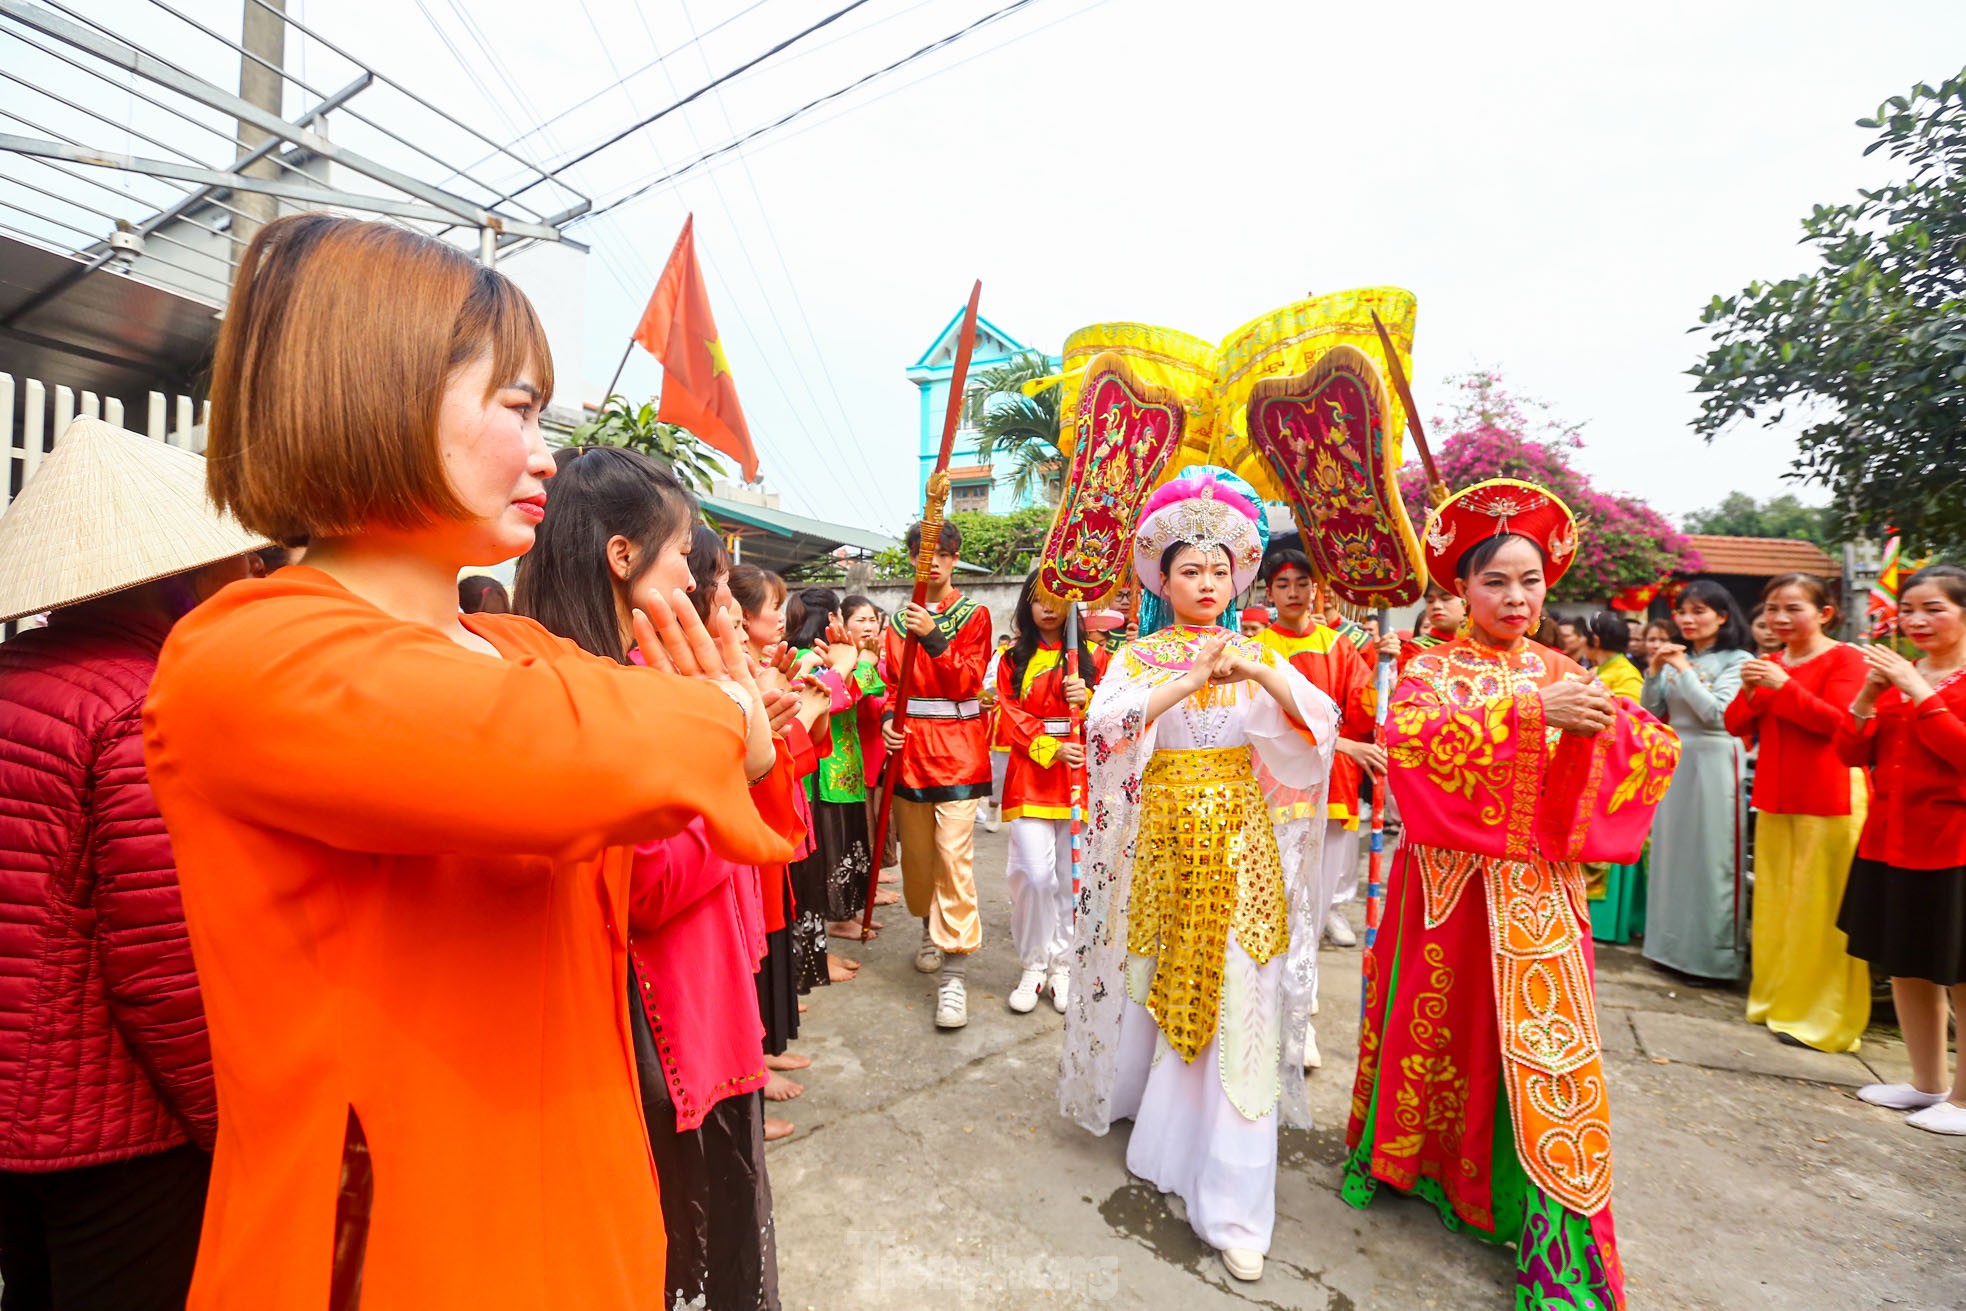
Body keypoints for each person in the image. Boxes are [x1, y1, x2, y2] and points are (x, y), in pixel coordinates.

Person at [141, 213, 792, 1309]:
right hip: (393, 1255)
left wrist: (726, 739)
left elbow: (642, 849)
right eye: (519, 407)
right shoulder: (247, 655)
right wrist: (722, 727)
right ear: (376, 389)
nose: (546, 453)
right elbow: (564, 752)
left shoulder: (518, 646)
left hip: (586, 1227)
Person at [1343, 480, 1679, 1311]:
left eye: (1529, 580)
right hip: (1447, 897)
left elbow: (1631, 750)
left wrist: (1601, 721)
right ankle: (1415, 1162)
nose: (1516, 597)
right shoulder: (1429, 664)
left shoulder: (1567, 665)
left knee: (1545, 1057)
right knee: (1440, 1029)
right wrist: (1530, 710)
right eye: (1495, 580)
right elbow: (1410, 744)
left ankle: (1549, 1219)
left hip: (1538, 894)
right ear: (1460, 588)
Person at [513, 447, 804, 1311]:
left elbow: (764, 838)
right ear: (621, 557)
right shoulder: (587, 695)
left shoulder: (650, 681)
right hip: (660, 1037)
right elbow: (641, 887)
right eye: (684, 554)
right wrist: (736, 775)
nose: (697, 573)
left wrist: (750, 746)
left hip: (703, 1012)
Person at [0, 418, 264, 1311]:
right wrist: (225, 1120)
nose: (250, 579)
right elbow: (162, 966)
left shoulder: (13, 673)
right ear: (181, 576)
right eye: (237, 563)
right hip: (118, 1130)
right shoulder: (148, 708)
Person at [1059, 468, 1338, 1285]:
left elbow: (1317, 725)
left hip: (1241, 842)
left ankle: (1236, 1199)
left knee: (1242, 993)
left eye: (1220, 570)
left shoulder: (1256, 653)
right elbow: (1105, 725)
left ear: (1235, 578)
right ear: (1164, 579)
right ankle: (1162, 1132)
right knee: (1169, 983)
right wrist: (1186, 680)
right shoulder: (1140, 655)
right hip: (1164, 843)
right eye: (1191, 569)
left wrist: (1254, 673)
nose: (1207, 583)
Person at [1835, 565, 1966, 1134]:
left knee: (1960, 973)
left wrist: (1917, 694)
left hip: (1953, 844)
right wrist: (1868, 694)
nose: (1916, 620)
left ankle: (1963, 1102)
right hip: (1891, 840)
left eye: (1933, 609)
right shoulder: (1899, 674)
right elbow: (1849, 752)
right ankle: (1927, 1082)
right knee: (1908, 965)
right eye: (1908, 610)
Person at [1722, 573, 1871, 1052]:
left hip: (1831, 794)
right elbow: (1735, 723)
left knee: (1822, 912)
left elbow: (1841, 724)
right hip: (1777, 794)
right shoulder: (1769, 662)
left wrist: (1783, 685)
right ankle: (1776, 1002)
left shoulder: (1845, 658)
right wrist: (1752, 691)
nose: (1779, 618)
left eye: (1793, 609)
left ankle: (1823, 1018)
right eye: (1771, 609)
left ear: (1825, 613)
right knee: (1778, 907)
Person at [881, 520, 994, 1030]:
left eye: (942, 556)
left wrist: (934, 637)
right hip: (910, 754)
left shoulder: (975, 615)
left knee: (954, 858)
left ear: (954, 560)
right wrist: (887, 721)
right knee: (919, 860)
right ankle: (930, 926)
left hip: (958, 753)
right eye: (923, 555)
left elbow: (968, 682)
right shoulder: (894, 622)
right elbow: (888, 686)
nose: (933, 564)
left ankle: (955, 973)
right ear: (912, 559)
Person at [1254, 551, 1378, 967]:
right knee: (1281, 886)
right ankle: (1277, 973)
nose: (1294, 592)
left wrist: (1384, 672)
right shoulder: (1257, 651)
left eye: (1302, 583)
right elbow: (1265, 724)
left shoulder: (1339, 646)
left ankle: (1304, 979)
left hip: (1333, 780)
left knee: (1320, 890)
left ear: (1315, 590)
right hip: (1274, 783)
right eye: (1284, 585)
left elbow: (1362, 713)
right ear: (1268, 592)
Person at [994, 571, 1106, 1014]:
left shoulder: (1095, 655)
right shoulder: (1011, 657)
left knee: (1069, 877)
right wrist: (1050, 748)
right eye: (1037, 599)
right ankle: (1033, 964)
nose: (1046, 607)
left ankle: (1062, 964)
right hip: (1032, 774)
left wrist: (1091, 696)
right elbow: (1007, 714)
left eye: (1055, 599)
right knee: (1033, 875)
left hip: (1080, 775)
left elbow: (1119, 714)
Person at [729, 565, 814, 1136]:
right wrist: (801, 716)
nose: (773, 617)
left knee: (766, 946)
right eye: (736, 618)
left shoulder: (757, 676)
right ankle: (747, 1074)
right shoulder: (722, 686)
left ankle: (761, 1051)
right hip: (743, 839)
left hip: (770, 824)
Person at [1642, 580, 1754, 981]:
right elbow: (1651, 713)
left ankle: (1711, 959)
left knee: (1712, 859)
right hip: (1678, 758)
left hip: (1715, 758)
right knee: (1673, 855)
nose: (1687, 619)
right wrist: (1654, 671)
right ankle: (1667, 947)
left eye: (1699, 612)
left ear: (1722, 617)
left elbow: (1717, 715)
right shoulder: (1677, 658)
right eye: (1682, 612)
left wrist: (1682, 668)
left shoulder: (1737, 660)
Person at [785, 586, 879, 970]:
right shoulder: (807, 658)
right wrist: (851, 665)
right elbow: (837, 698)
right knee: (824, 859)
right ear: (828, 620)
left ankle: (836, 926)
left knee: (842, 849)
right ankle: (824, 939)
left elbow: (871, 686)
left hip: (842, 767)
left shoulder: (828, 657)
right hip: (819, 773)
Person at [1581, 610, 1651, 943]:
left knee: (1605, 849)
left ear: (1594, 640)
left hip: (1613, 769)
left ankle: (1611, 923)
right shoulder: (1602, 670)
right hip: (1591, 765)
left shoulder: (1625, 674)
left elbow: (1631, 723)